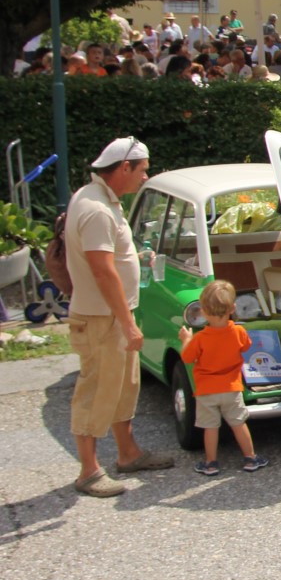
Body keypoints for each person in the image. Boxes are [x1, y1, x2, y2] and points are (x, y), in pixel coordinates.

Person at [64, 137, 175, 496]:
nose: (146, 177)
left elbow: (111, 258)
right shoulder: (96, 209)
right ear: (124, 168)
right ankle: (88, 472)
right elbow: (101, 271)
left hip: (111, 315)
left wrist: (133, 260)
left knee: (124, 388)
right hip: (102, 319)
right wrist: (127, 323)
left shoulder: (96, 198)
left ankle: (128, 454)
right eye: (143, 170)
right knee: (96, 390)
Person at [177, 280, 268, 475]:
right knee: (238, 423)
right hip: (231, 388)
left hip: (206, 390)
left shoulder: (200, 338)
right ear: (233, 308)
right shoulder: (238, 332)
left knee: (210, 427)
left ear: (203, 311)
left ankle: (211, 463)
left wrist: (186, 340)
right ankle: (250, 458)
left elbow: (187, 357)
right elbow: (246, 347)